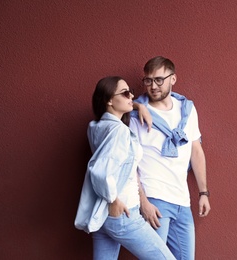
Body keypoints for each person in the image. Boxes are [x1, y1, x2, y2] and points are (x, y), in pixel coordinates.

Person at [74, 76, 175, 260]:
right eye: (126, 93)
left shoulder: (96, 126)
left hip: (104, 215)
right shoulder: (119, 131)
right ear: (110, 100)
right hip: (123, 212)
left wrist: (138, 106)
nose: (132, 96)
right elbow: (100, 170)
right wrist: (113, 200)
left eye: (131, 92)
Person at [130, 56, 211, 260]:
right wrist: (143, 202)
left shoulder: (187, 110)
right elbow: (130, 163)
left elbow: (196, 151)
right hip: (155, 200)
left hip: (182, 201)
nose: (153, 86)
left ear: (173, 79)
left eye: (159, 80)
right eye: (148, 81)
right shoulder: (135, 115)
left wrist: (204, 192)